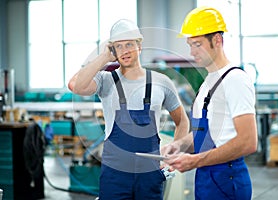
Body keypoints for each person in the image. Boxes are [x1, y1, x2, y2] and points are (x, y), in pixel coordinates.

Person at [68, 19, 189, 200]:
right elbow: (76, 86)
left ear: (139, 46)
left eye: (129, 44)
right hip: (115, 175)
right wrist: (103, 58)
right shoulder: (105, 80)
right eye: (119, 46)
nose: (124, 51)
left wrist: (174, 152)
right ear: (113, 50)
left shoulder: (161, 82)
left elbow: (182, 121)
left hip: (150, 175)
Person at [162, 7, 258, 200]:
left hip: (227, 180)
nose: (192, 52)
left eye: (197, 44)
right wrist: (179, 145)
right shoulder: (208, 82)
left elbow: (248, 142)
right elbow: (206, 134)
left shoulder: (235, 80)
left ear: (217, 40)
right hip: (206, 178)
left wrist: (196, 160)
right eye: (190, 45)